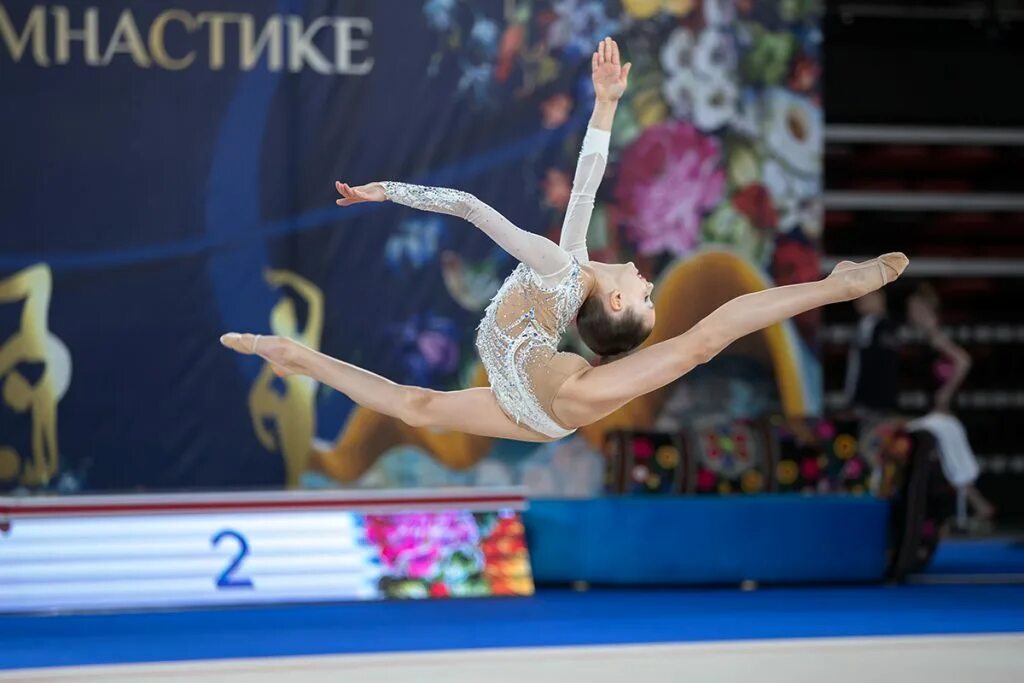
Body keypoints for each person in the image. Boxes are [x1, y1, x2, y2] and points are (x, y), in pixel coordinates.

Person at [221, 37, 908, 445]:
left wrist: (388, 191)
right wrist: (605, 106)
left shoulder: (557, 266)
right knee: (417, 406)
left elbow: (467, 205)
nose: (646, 279)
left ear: (611, 298)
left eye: (642, 294)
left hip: (547, 402)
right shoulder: (571, 262)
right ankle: (293, 356)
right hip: (533, 401)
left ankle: (836, 285)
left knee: (699, 344)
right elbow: (586, 182)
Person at [905, 283, 995, 525]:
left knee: (949, 458)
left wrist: (946, 392)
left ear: (925, 310)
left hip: (940, 414)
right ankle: (976, 506)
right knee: (950, 460)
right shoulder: (928, 337)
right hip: (934, 412)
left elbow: (963, 361)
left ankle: (970, 507)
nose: (911, 315)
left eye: (914, 309)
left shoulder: (936, 337)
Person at [844, 288, 901, 414]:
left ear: (879, 299)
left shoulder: (887, 327)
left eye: (866, 297)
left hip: (878, 398)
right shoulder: (862, 325)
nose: (859, 301)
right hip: (861, 396)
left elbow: (884, 365)